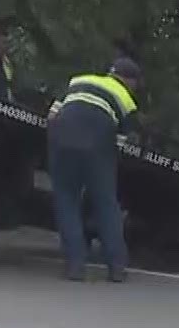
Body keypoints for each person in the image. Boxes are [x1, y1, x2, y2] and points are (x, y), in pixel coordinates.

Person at [46, 57, 141, 282]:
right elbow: (119, 144)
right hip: (97, 150)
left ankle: (75, 266)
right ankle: (117, 267)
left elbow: (52, 116)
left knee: (66, 201)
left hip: (63, 143)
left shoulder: (77, 81)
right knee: (106, 205)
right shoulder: (127, 101)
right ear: (130, 81)